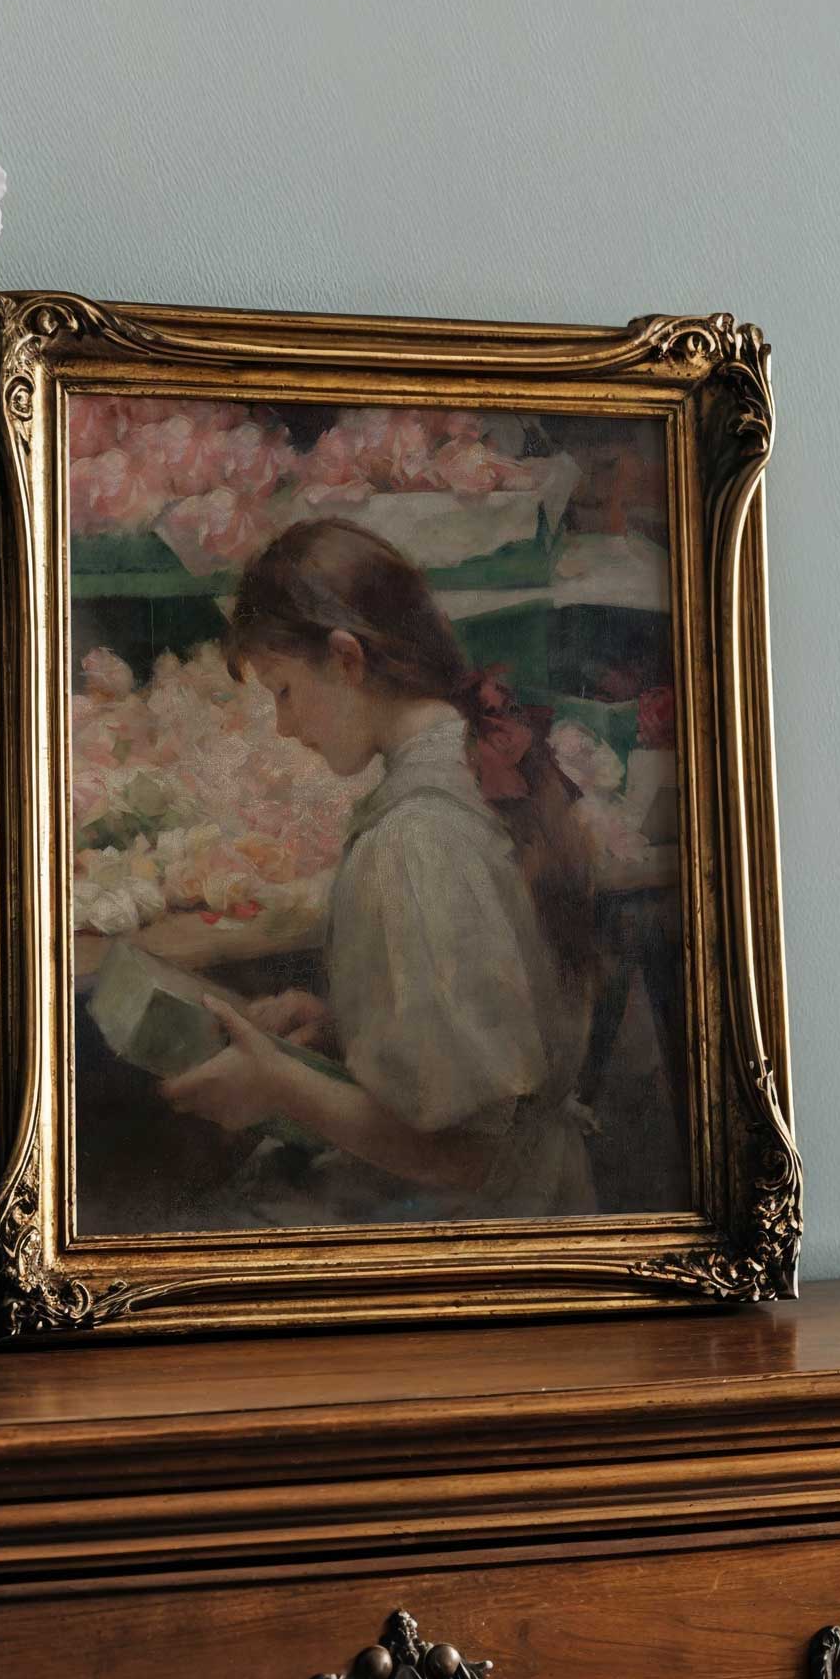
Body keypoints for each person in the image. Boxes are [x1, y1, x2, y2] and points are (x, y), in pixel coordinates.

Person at [159, 516, 599, 1222]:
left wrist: (278, 1084)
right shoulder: (483, 758)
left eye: (283, 691)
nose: (283, 727)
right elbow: (498, 1022)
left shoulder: (415, 843)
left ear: (346, 659)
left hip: (481, 1224)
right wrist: (345, 1025)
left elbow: (466, 1152)